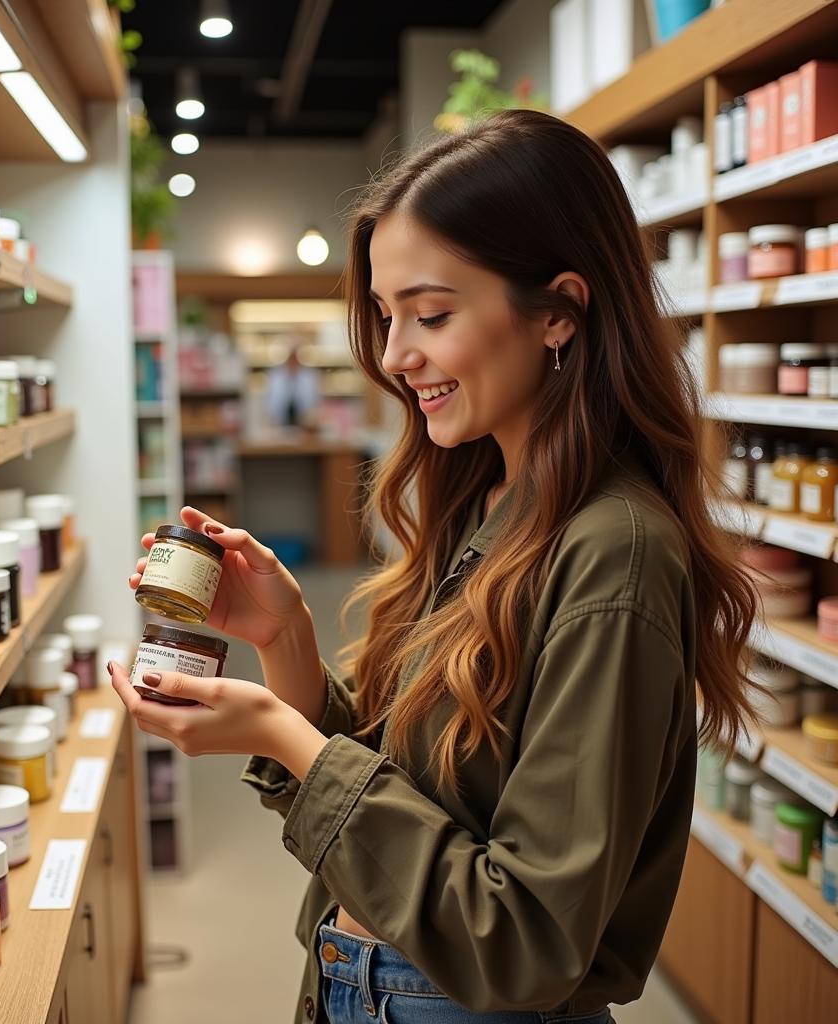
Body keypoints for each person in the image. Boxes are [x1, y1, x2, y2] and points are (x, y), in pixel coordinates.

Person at [111, 109, 760, 1024]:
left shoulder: (615, 552)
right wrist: (285, 637)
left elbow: (524, 937)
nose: (394, 354)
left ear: (559, 313)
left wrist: (284, 739)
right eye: (384, 316)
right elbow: (417, 788)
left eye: (433, 314)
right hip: (364, 982)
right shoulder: (492, 500)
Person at [264, 338, 322, 430]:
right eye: (290, 358)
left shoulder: (309, 378)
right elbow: (271, 403)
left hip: (304, 425)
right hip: (280, 424)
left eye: (295, 358)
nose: (293, 361)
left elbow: (313, 402)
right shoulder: (276, 377)